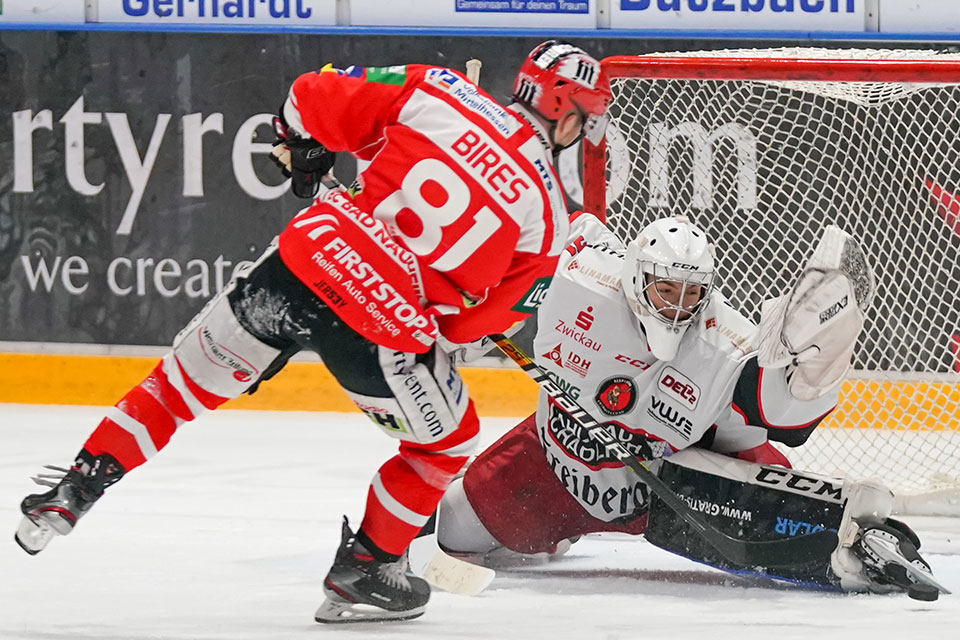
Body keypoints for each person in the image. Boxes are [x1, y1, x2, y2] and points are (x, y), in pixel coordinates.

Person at [14, 41, 612, 623]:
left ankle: (72, 489)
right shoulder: (549, 218)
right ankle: (369, 567)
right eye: (587, 121)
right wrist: (436, 326)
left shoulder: (440, 89)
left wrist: (303, 149)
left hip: (303, 261)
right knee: (447, 444)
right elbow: (475, 326)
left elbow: (308, 95)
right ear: (568, 114)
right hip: (382, 326)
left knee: (178, 388)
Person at [436, 212, 945, 597]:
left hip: (664, 493)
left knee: (756, 471)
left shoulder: (725, 344)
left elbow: (783, 420)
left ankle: (861, 538)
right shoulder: (578, 275)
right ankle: (533, 530)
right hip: (548, 468)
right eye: (665, 290)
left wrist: (814, 369)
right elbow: (523, 245)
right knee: (452, 525)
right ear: (637, 278)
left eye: (691, 292)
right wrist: (472, 287)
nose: (678, 306)